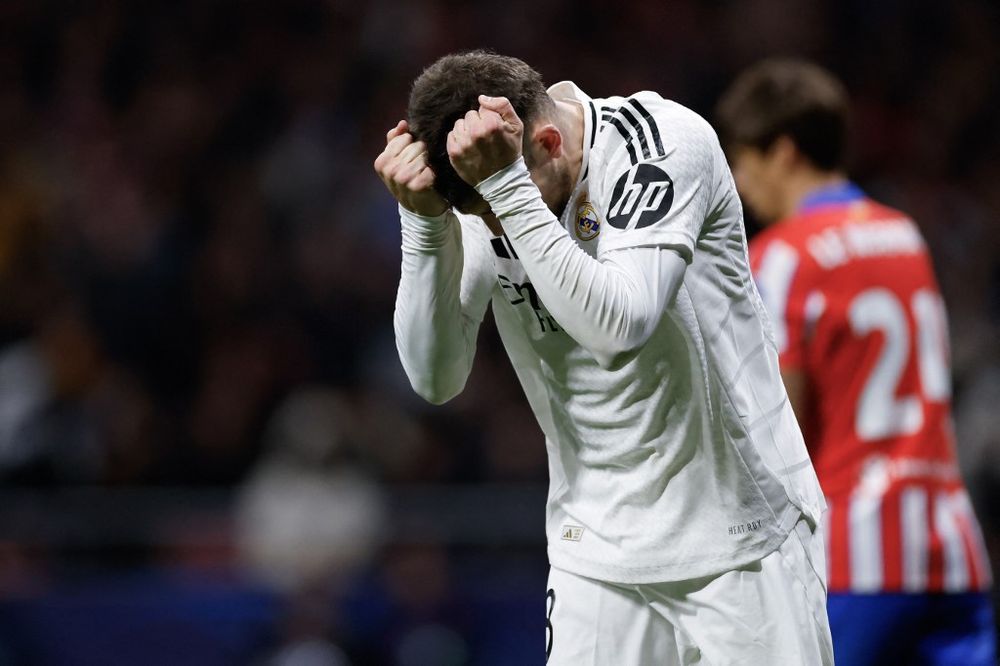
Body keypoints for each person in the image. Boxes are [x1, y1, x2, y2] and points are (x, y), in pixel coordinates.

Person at [375, 50, 832, 664]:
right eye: (481, 214)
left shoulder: (662, 142)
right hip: (593, 552)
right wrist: (425, 226)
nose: (498, 230)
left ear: (547, 141)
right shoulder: (483, 180)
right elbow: (435, 378)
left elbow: (621, 326)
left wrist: (509, 190)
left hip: (743, 538)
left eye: (501, 202)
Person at [716, 59, 997, 665]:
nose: (738, 183)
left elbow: (779, 420)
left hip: (855, 553)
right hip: (950, 544)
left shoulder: (781, 256)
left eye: (743, 161)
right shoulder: (904, 236)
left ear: (784, 152)